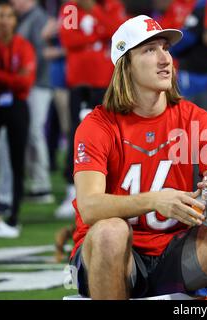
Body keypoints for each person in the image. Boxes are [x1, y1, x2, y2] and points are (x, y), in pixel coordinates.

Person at [69, 15, 207, 299]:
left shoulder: (197, 120)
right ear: (126, 64)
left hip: (177, 252)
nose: (165, 59)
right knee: (110, 231)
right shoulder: (97, 125)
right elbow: (89, 207)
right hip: (116, 257)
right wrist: (155, 199)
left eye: (166, 48)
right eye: (150, 50)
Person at [55, 0, 126, 219]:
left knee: (113, 134)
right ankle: (72, 189)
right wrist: (100, 33)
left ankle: (110, 186)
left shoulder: (111, 5)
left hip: (106, 81)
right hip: (80, 82)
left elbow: (119, 33)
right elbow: (68, 40)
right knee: (78, 133)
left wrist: (94, 12)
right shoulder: (70, 7)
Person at [0, 2, 36, 238]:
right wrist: (14, 77)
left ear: (15, 20)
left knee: (17, 160)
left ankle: (13, 217)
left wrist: (2, 78)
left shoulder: (23, 45)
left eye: (8, 15)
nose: (4, 20)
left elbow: (26, 82)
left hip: (17, 105)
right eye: (0, 15)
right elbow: (19, 79)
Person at [11, 0, 54, 203]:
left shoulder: (37, 18)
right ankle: (36, 183)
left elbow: (42, 53)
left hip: (39, 83)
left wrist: (28, 76)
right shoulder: (26, 18)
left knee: (35, 131)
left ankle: (42, 185)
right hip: (31, 84)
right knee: (29, 132)